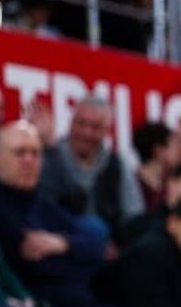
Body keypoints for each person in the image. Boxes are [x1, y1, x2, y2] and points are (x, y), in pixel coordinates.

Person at [0, 121, 125, 307]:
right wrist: (78, 256)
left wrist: (64, 244)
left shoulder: (43, 205)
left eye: (35, 153)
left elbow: (98, 246)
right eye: (20, 153)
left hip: (71, 299)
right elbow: (34, 264)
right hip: (31, 303)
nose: (29, 160)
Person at [38, 94, 144, 237]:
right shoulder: (50, 157)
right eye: (81, 124)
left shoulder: (116, 165)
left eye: (95, 127)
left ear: (107, 131)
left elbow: (134, 215)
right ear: (71, 123)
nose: (86, 132)